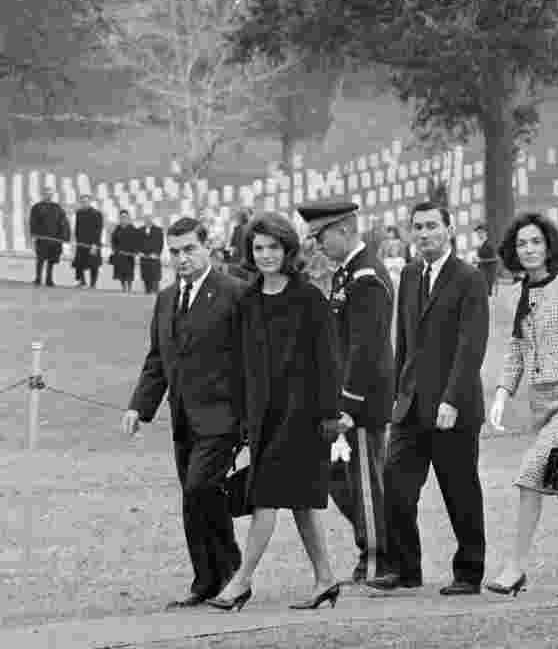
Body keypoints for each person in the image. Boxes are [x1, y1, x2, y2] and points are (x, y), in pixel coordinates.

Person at [208, 212, 343, 611]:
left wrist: (331, 414)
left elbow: (329, 362)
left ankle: (241, 581)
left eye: (273, 247)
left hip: (303, 417)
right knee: (300, 502)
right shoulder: (246, 301)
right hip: (262, 417)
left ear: (288, 250)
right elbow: (239, 363)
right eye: (259, 248)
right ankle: (326, 580)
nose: (266, 255)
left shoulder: (309, 299)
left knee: (265, 496)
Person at [366, 201, 490, 596]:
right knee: (397, 486)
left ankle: (469, 573)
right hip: (410, 404)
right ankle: (405, 569)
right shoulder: (411, 274)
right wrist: (396, 394)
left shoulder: (469, 278)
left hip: (453, 407)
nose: (423, 234)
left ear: (449, 229)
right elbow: (403, 341)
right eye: (417, 227)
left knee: (460, 490)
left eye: (432, 226)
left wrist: (452, 400)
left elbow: (472, 346)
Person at [122, 217, 247, 609]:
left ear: (208, 247)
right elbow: (157, 360)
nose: (182, 258)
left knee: (200, 490)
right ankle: (207, 580)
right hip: (184, 420)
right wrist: (139, 408)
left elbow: (252, 361)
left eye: (189, 249)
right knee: (193, 498)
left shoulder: (235, 294)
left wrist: (250, 418)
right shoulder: (166, 298)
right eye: (174, 252)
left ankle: (232, 573)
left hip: (224, 418)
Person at [486, 213, 558, 598]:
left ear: (549, 246)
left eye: (536, 241)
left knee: (530, 471)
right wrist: (503, 393)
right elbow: (516, 351)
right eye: (522, 244)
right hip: (542, 405)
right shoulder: (521, 293)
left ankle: (515, 566)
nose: (530, 249)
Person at [299, 201, 394, 584]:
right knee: (340, 478)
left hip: (363, 400)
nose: (319, 245)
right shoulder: (348, 273)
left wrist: (349, 403)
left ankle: (376, 559)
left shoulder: (365, 276)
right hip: (347, 396)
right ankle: (379, 549)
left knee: (365, 484)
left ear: (344, 229)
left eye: (321, 236)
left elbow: (365, 349)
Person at [28, 188, 69, 287]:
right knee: (40, 259)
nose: (48, 196)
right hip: (42, 238)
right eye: (46, 194)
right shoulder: (37, 207)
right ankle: (38, 278)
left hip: (54, 239)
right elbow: (33, 222)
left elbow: (63, 222)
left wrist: (64, 237)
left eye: (50, 194)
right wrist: (34, 234)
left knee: (51, 260)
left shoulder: (57, 207)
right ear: (43, 195)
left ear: (52, 196)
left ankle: (49, 280)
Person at [72, 195, 104, 288]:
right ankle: (82, 282)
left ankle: (93, 284)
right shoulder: (79, 213)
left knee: (94, 264)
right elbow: (77, 228)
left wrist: (95, 244)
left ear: (90, 202)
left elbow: (99, 230)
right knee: (79, 263)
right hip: (81, 242)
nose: (84, 203)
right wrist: (77, 240)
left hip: (93, 243)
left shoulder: (97, 213)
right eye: (82, 202)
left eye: (86, 201)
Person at [110, 210, 138, 293]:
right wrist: (115, 250)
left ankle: (129, 287)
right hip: (119, 255)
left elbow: (137, 241)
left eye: (125, 217)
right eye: (122, 217)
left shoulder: (132, 228)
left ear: (128, 218)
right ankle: (123, 287)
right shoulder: (117, 228)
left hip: (129, 255)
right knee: (121, 273)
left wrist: (134, 252)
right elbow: (113, 241)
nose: (123, 219)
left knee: (129, 273)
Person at [139, 215, 164, 294]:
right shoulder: (140, 230)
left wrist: (157, 254)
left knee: (155, 277)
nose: (148, 221)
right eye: (146, 219)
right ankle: (147, 292)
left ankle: (156, 292)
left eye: (149, 219)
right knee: (146, 276)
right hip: (144, 257)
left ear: (152, 220)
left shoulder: (158, 230)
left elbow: (161, 243)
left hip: (154, 257)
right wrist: (139, 252)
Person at [473, 223, 499, 296]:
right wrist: (476, 260)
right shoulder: (480, 244)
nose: (479, 235)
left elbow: (495, 259)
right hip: (481, 269)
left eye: (480, 233)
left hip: (488, 271)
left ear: (485, 233)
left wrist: (481, 261)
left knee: (484, 291)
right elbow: (481, 258)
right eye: (478, 233)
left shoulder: (490, 244)